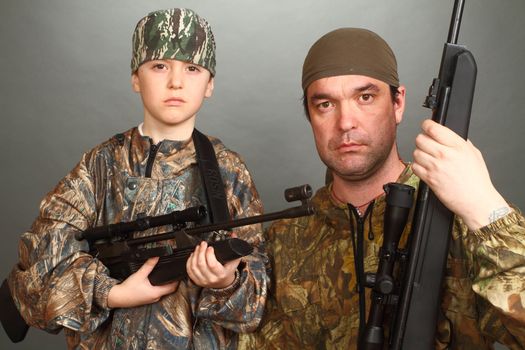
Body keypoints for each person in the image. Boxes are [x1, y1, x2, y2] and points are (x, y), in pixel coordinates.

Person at [239, 28, 525, 349]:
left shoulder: (459, 220)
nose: (346, 122)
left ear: (398, 103)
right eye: (325, 104)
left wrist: (485, 208)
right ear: (310, 115)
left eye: (365, 97)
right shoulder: (285, 240)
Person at [3, 8, 269, 349]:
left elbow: (258, 302)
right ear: (135, 78)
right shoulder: (99, 164)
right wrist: (110, 292)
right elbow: (40, 259)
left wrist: (226, 282)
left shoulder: (228, 171)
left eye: (192, 68)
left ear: (210, 85)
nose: (176, 81)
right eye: (160, 66)